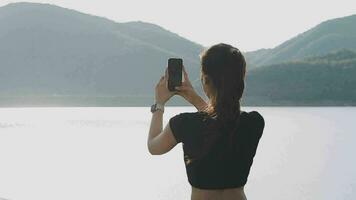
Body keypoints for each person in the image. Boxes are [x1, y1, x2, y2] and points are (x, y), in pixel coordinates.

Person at [147, 43, 265, 200]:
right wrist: (193, 97)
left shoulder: (184, 124)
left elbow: (154, 147)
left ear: (205, 80)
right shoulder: (254, 122)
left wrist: (159, 105)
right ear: (241, 79)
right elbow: (219, 120)